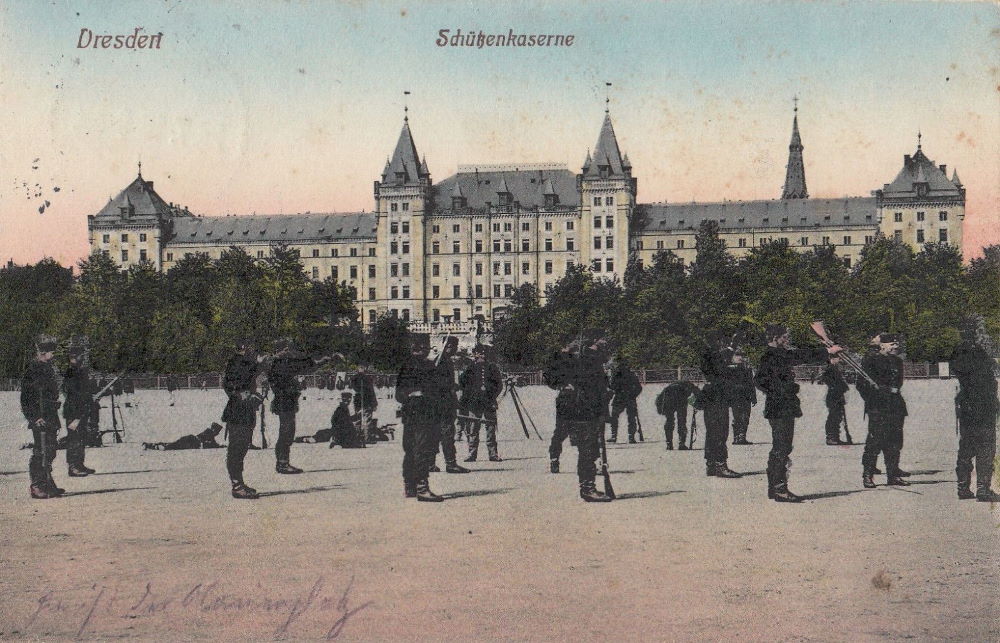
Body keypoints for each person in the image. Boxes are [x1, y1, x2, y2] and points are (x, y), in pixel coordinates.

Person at [754, 324, 841, 502]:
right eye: (784, 336)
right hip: (781, 406)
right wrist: (827, 351)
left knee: (781, 446)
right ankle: (779, 489)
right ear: (775, 338)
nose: (787, 339)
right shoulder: (775, 355)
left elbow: (760, 380)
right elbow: (800, 355)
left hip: (778, 405)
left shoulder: (771, 355)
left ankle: (775, 488)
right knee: (782, 447)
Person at [543, 330, 613, 502]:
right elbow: (551, 374)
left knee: (589, 448)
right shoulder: (577, 359)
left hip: (590, 409)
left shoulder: (590, 359)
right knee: (587, 448)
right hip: (581, 409)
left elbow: (601, 385)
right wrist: (564, 385)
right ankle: (588, 488)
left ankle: (588, 486)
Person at [949, 320, 1000, 502]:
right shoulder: (977, 353)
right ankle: (983, 489)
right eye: (980, 331)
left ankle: (963, 488)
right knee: (985, 448)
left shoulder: (958, 352)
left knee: (966, 448)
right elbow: (984, 380)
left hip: (967, 407)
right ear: (974, 333)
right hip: (982, 406)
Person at [856, 333, 911, 489]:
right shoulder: (871, 360)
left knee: (895, 441)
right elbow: (861, 385)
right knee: (874, 441)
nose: (895, 346)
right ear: (882, 346)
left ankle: (892, 475)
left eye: (896, 344)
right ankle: (868, 475)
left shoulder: (898, 361)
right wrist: (875, 397)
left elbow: (898, 383)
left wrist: (890, 391)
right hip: (878, 407)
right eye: (892, 344)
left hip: (896, 406)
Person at [267, 338, 328, 474]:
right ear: (282, 350)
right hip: (285, 401)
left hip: (285, 400)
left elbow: (305, 366)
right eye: (286, 349)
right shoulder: (280, 364)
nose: (289, 351)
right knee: (286, 432)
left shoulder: (279, 363)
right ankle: (282, 463)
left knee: (287, 432)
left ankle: (283, 462)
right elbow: (305, 367)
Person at [397, 334, 445, 501]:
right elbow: (400, 393)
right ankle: (421, 488)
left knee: (411, 450)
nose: (420, 350)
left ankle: (411, 487)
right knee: (419, 450)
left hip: (414, 414)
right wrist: (415, 395)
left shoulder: (422, 365)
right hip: (421, 415)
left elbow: (399, 394)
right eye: (419, 347)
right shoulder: (422, 366)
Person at [222, 337, 265, 499]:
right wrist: (245, 395)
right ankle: (237, 485)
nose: (254, 352)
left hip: (244, 410)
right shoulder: (238, 362)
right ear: (245, 348)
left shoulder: (243, 363)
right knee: (237, 448)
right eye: (252, 349)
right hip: (238, 410)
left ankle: (239, 482)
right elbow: (230, 385)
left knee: (242, 447)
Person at [21, 335, 64, 499]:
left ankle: (48, 482)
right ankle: (37, 485)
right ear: (42, 352)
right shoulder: (32, 370)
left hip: (50, 415)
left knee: (51, 450)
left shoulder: (48, 369)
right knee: (41, 451)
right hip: (40, 418)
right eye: (51, 352)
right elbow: (26, 398)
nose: (53, 355)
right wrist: (34, 417)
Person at [699, 333, 742, 478]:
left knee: (712, 431)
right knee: (720, 430)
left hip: (710, 395)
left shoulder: (708, 353)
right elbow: (722, 366)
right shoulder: (712, 355)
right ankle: (720, 464)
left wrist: (733, 344)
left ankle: (711, 464)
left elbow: (726, 354)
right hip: (717, 396)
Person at [429, 336, 470, 474]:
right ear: (448, 346)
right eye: (454, 346)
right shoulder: (441, 361)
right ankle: (451, 464)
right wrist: (452, 386)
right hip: (442, 404)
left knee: (435, 434)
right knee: (447, 434)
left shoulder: (443, 360)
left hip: (439, 403)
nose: (455, 349)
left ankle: (430, 464)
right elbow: (436, 382)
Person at [459, 344, 504, 462]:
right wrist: (469, 397)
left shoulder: (492, 367)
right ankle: (472, 454)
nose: (482, 356)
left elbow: (499, 385)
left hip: (489, 402)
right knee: (473, 429)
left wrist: (493, 397)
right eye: (479, 353)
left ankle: (493, 454)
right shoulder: (470, 368)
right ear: (475, 354)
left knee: (490, 429)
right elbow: (463, 383)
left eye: (484, 353)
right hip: (474, 403)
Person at [61, 338, 97, 477]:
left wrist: (90, 398)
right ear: (73, 357)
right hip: (73, 410)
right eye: (81, 355)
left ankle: (80, 463)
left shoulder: (81, 371)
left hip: (81, 409)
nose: (83, 358)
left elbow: (85, 390)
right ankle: (73, 466)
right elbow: (73, 393)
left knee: (81, 437)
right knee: (73, 439)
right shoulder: (71, 372)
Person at [545, 341, 579, 473]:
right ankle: (554, 458)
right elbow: (549, 376)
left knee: (582, 429)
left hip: (579, 398)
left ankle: (588, 462)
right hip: (565, 398)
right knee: (561, 430)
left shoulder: (577, 358)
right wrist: (561, 385)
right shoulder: (556, 358)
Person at [655, 380, 700, 450]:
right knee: (681, 421)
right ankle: (681, 444)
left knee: (670, 420)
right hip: (680, 399)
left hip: (669, 398)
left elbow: (659, 400)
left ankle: (669, 444)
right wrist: (696, 405)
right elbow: (698, 396)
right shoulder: (689, 386)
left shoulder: (669, 387)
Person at [608, 357, 643, 444]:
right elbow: (639, 388)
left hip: (620, 398)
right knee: (631, 418)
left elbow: (612, 386)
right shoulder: (632, 375)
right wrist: (633, 395)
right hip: (629, 399)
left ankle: (614, 436)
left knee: (614, 417)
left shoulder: (616, 375)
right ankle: (631, 437)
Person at [819, 354, 850, 445]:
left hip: (837, 395)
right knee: (833, 416)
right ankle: (831, 437)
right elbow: (826, 378)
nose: (839, 360)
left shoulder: (835, 368)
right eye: (837, 358)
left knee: (837, 417)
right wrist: (835, 387)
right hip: (833, 396)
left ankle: (835, 437)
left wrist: (843, 388)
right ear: (832, 358)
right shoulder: (830, 368)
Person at [730, 350, 757, 445]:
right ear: (733, 357)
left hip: (746, 397)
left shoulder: (747, 369)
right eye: (737, 355)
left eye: (742, 355)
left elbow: (751, 384)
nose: (740, 357)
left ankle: (742, 437)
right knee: (736, 417)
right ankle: (736, 437)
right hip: (735, 397)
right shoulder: (730, 370)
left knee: (745, 416)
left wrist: (754, 397)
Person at [349, 361, 378, 442]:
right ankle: (367, 437)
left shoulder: (354, 378)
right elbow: (371, 392)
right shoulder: (367, 378)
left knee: (358, 419)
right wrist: (374, 403)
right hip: (366, 401)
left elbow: (354, 389)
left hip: (358, 401)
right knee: (367, 419)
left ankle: (358, 437)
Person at [143, 423, 225, 450]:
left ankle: (150, 445)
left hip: (190, 438)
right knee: (172, 446)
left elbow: (213, 444)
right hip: (191, 442)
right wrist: (221, 446)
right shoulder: (209, 434)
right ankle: (152, 446)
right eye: (217, 432)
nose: (217, 434)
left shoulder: (208, 432)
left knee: (172, 444)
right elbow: (211, 445)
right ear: (214, 430)